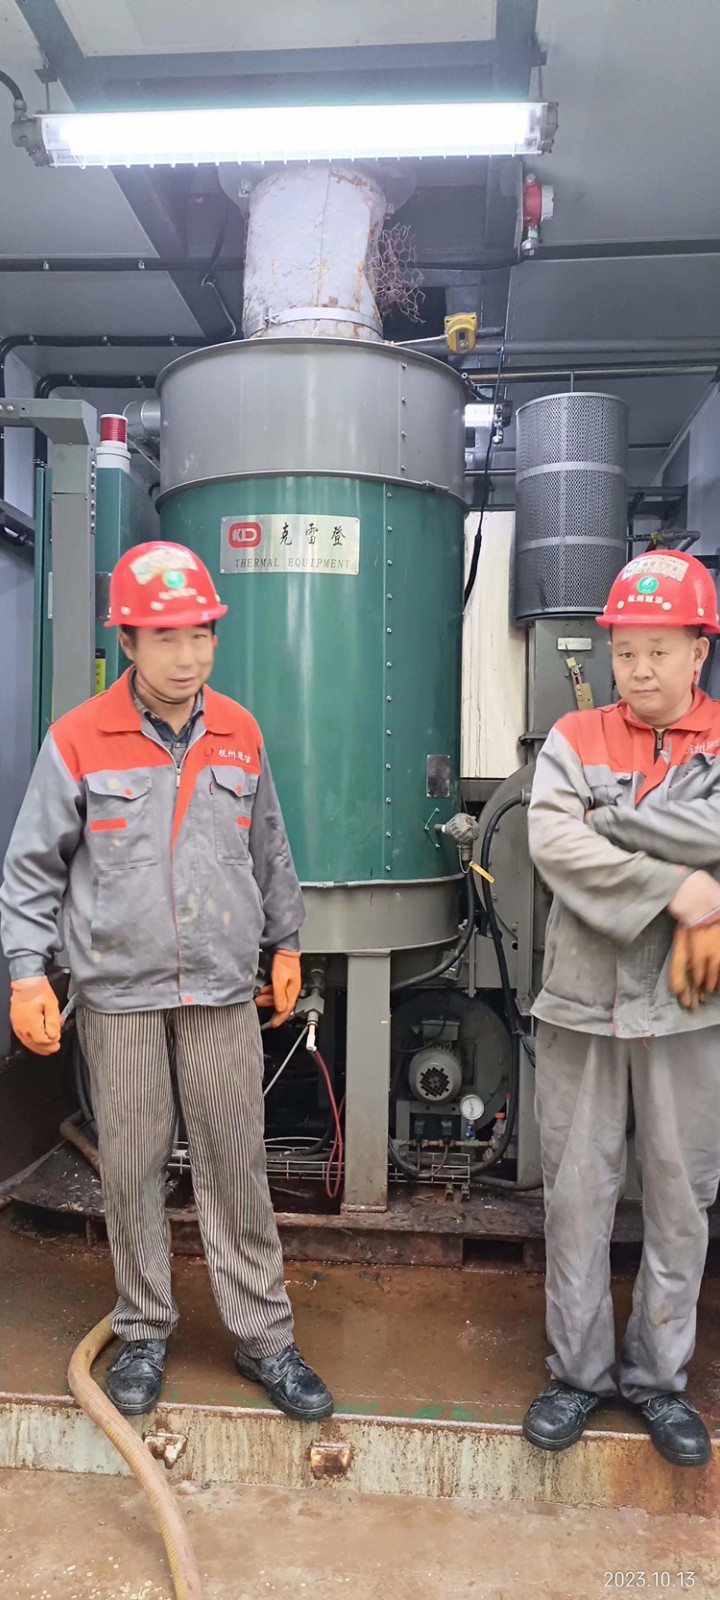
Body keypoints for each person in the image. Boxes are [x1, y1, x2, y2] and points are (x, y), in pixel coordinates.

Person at [0, 540, 333, 1422]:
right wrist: (26, 974)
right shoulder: (78, 738)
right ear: (129, 641)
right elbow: (31, 869)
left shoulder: (239, 732)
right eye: (166, 638)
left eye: (200, 636)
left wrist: (287, 942)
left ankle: (264, 1337)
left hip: (220, 989)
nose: (188, 657)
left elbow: (269, 846)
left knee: (235, 1162)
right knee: (133, 1166)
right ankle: (144, 1328)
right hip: (120, 994)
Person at [523, 548, 720, 1468]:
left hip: (688, 1013)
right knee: (577, 1197)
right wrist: (683, 886)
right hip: (580, 1005)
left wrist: (612, 822)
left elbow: (599, 832)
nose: (638, 671)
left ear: (699, 652)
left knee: (681, 1201)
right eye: (625, 652)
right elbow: (552, 842)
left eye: (658, 652)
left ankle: (658, 1381)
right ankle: (576, 1375)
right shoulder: (575, 736)